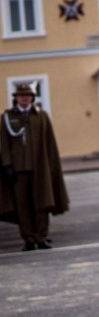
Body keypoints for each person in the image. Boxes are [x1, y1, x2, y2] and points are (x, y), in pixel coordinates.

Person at [1, 83, 69, 251]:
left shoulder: (41, 116)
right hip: (18, 169)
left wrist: (50, 165)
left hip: (40, 167)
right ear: (15, 98)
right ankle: (28, 238)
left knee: (42, 203)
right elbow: (4, 143)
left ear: (32, 97)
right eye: (21, 95)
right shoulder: (8, 118)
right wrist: (7, 165)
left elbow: (49, 143)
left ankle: (41, 236)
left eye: (28, 95)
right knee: (22, 205)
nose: (25, 98)